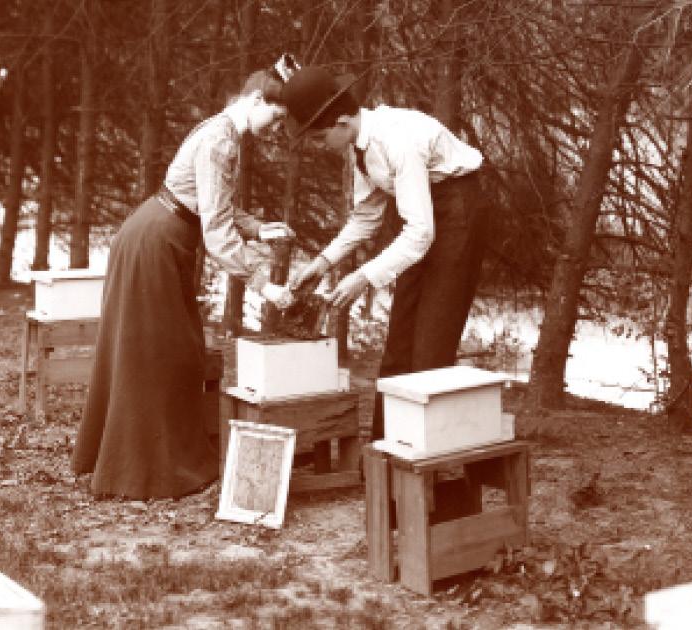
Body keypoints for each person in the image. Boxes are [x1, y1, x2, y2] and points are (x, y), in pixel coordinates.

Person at [72, 59, 297, 500]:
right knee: (160, 352)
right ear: (255, 101)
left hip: (162, 236)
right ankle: (145, 472)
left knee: (170, 349)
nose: (275, 128)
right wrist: (261, 282)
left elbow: (213, 206)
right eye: (275, 116)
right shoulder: (219, 141)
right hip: (155, 242)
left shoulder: (223, 133)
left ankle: (152, 461)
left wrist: (257, 228)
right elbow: (214, 230)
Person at [283, 66, 487, 441]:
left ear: (341, 121)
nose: (316, 145)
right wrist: (323, 262)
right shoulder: (360, 146)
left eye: (318, 137)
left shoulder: (396, 140)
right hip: (421, 221)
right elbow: (366, 217)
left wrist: (363, 277)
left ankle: (430, 474)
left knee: (430, 351)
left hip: (457, 213)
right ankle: (384, 462)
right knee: (398, 346)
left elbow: (420, 233)